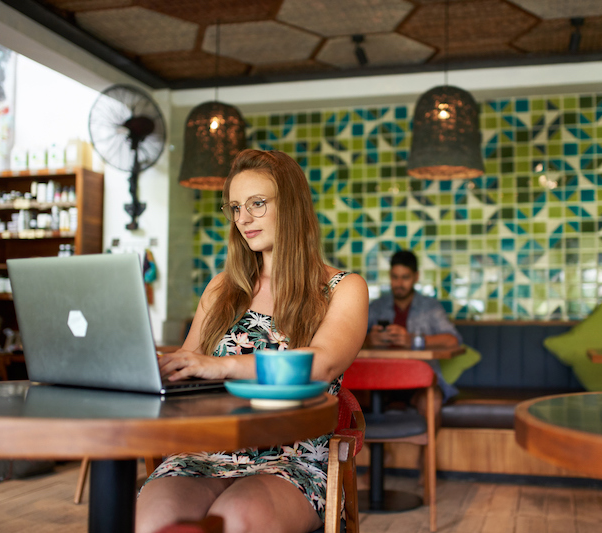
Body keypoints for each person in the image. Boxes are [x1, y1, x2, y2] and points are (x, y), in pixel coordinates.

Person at [136, 150, 369, 533]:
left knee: (235, 520)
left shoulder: (343, 288)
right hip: (204, 452)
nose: (243, 219)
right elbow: (186, 363)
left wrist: (221, 364)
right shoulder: (222, 288)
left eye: (257, 204)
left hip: (291, 458)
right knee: (151, 520)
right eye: (235, 207)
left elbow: (323, 362)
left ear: (292, 206)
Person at [365, 250, 463, 405]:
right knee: (348, 395)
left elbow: (453, 340)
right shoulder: (376, 306)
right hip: (378, 381)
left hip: (421, 380)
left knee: (432, 400)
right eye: (394, 277)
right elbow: (349, 339)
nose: (399, 283)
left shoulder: (430, 306)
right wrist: (370, 340)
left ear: (416, 277)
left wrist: (414, 341)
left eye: (405, 277)